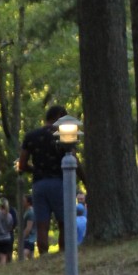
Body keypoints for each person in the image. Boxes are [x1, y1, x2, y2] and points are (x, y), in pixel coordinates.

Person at [17, 104, 85, 256]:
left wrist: (36, 170)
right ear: (59, 116)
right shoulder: (62, 135)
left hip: (39, 185)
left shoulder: (31, 136)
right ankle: (63, 253)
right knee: (64, 222)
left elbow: (21, 164)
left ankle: (43, 255)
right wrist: (86, 180)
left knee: (42, 224)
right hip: (60, 183)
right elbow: (74, 160)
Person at [21, 194, 36, 259]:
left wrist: (22, 237)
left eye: (23, 201)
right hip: (30, 239)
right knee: (31, 257)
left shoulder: (30, 212)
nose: (22, 202)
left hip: (28, 239)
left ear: (28, 202)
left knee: (22, 255)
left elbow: (28, 228)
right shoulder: (27, 211)